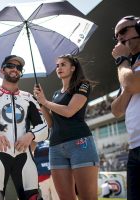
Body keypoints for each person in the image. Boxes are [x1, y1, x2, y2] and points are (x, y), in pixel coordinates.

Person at [33, 54, 99, 200]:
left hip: (79, 143)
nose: (59, 68)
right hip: (56, 147)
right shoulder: (56, 94)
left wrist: (46, 101)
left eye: (63, 64)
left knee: (88, 197)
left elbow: (69, 111)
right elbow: (50, 123)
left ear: (73, 68)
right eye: (57, 65)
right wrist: (41, 103)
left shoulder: (83, 85)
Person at [0, 55, 48, 200]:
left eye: (18, 67)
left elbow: (44, 129)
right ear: (2, 70)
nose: (15, 69)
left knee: (33, 197)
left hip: (24, 156)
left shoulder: (29, 98)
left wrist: (30, 135)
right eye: (10, 66)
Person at [110, 15, 140, 200]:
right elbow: (116, 110)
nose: (119, 37)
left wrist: (121, 60)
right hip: (134, 148)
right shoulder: (128, 68)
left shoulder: (125, 65)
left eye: (123, 31)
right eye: (116, 36)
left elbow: (132, 86)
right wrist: (129, 76)